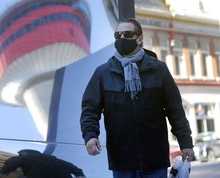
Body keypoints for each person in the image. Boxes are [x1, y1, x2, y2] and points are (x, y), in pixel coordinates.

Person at [80, 18, 194, 178]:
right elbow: (89, 109)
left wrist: (186, 143)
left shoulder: (159, 70)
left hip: (155, 160)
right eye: (117, 35)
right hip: (121, 161)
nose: (121, 39)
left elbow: (175, 110)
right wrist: (90, 136)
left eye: (127, 34)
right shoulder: (103, 73)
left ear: (140, 39)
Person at [0, 149, 86, 178]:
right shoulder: (52, 159)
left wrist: (4, 170)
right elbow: (70, 166)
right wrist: (80, 174)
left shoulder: (25, 158)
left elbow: (14, 162)